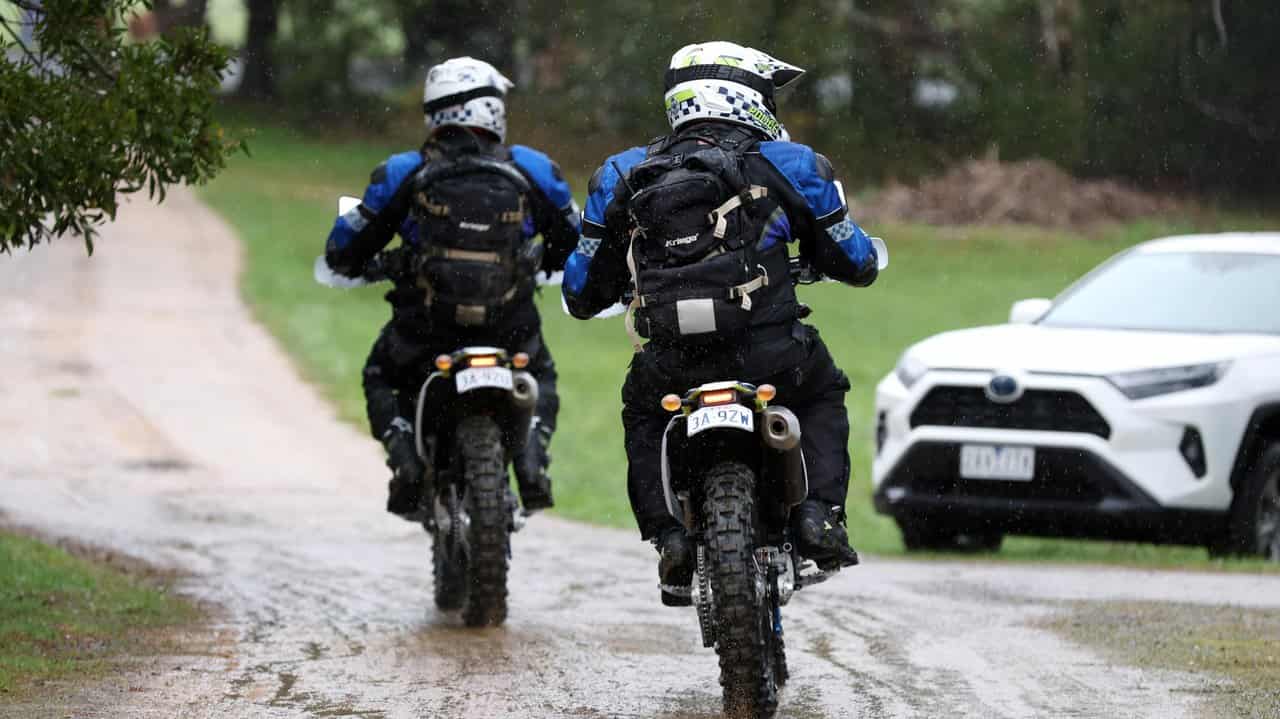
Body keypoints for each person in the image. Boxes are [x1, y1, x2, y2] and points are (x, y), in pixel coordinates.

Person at [562, 41, 879, 604]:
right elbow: (854, 264)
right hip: (772, 357)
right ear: (745, 96)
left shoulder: (621, 172)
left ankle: (669, 541)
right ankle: (818, 515)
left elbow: (582, 292)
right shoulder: (793, 164)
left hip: (673, 367)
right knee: (824, 389)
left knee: (643, 412)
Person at [324, 57, 579, 518]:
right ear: (491, 110)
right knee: (541, 375)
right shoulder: (532, 168)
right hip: (508, 326)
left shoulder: (405, 170)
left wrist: (382, 263)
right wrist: (540, 261)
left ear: (437, 112)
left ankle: (405, 465)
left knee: (380, 374)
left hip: (427, 329)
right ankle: (533, 463)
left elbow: (346, 249)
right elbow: (574, 241)